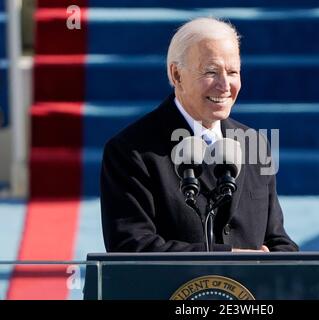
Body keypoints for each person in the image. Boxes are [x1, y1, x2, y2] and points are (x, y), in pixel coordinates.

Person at [100, 17, 298, 252]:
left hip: (250, 290)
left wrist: (276, 262)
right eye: (211, 72)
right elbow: (132, 247)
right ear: (177, 75)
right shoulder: (130, 151)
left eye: (233, 72)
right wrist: (230, 257)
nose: (225, 85)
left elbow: (278, 240)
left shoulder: (255, 145)